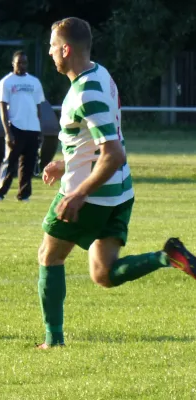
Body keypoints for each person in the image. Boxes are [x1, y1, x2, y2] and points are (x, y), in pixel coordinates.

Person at [37, 17, 196, 348]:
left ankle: (53, 341)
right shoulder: (100, 74)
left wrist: (78, 193)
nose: (49, 51)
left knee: (49, 257)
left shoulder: (85, 94)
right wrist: (63, 161)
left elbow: (113, 153)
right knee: (103, 274)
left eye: (52, 45)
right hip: (120, 193)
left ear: (66, 49)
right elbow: (96, 143)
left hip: (92, 195)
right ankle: (166, 257)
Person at [0, 50, 45, 202]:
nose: (22, 65)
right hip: (16, 126)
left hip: (32, 128)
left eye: (24, 63)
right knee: (10, 162)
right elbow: (2, 108)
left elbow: (38, 107)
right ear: (13, 64)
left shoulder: (34, 82)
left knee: (28, 164)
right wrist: (8, 132)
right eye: (19, 62)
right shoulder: (7, 82)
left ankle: (24, 194)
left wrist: (40, 129)